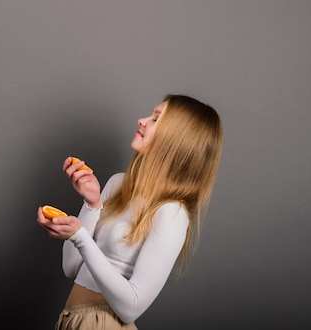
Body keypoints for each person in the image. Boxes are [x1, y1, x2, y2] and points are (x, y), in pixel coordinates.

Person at [37, 94, 223, 329]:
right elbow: (70, 268)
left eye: (156, 119)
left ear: (176, 141)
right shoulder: (117, 184)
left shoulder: (172, 213)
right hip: (71, 320)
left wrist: (80, 236)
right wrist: (92, 205)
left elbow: (130, 308)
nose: (141, 120)